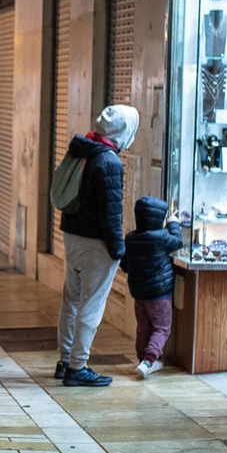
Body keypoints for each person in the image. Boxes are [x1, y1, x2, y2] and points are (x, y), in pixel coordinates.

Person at [58, 104, 139, 388]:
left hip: (72, 236)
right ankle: (78, 367)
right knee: (91, 304)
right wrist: (120, 251)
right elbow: (111, 214)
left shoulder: (83, 148)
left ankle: (65, 360)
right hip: (96, 244)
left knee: (71, 299)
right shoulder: (109, 162)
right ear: (124, 132)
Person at [121, 196, 184, 378]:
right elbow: (177, 241)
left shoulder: (131, 238)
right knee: (161, 328)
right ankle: (149, 361)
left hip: (139, 292)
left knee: (143, 326)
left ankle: (142, 359)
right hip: (159, 294)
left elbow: (125, 263)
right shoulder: (162, 237)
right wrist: (173, 223)